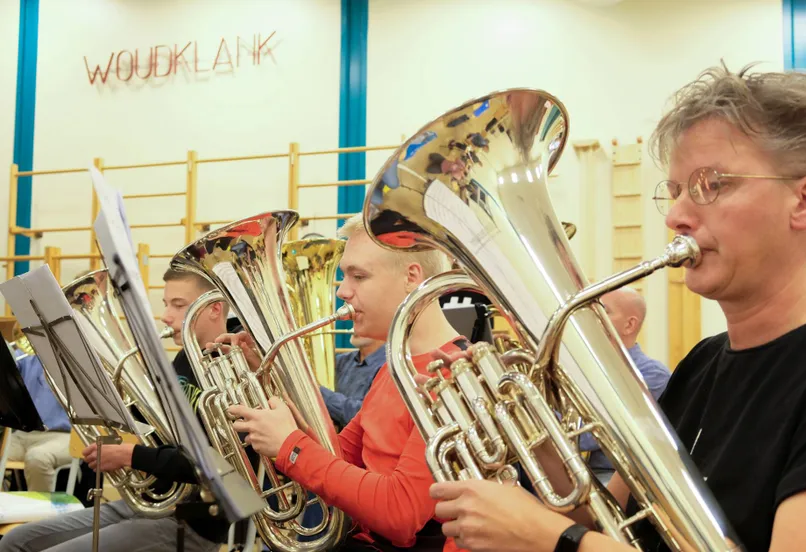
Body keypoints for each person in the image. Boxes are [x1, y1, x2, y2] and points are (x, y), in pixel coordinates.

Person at [427, 63, 806, 552]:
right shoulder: (701, 365)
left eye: (710, 184)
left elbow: (577, 540)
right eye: (676, 191)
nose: (677, 216)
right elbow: (612, 521)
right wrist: (541, 447)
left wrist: (553, 539)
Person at [221, 214, 466, 551]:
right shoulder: (395, 368)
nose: (342, 290)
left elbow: (400, 514)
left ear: (412, 277)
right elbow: (340, 458)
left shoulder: (453, 375)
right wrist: (270, 380)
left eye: (358, 276)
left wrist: (290, 446)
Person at [0, 269, 232, 552]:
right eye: (166, 304)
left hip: (191, 521)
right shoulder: (185, 359)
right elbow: (162, 431)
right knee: (15, 541)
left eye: (179, 305)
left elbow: (214, 466)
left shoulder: (231, 369)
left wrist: (130, 454)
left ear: (214, 308)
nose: (166, 316)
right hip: (151, 504)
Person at [582, 287, 671, 485]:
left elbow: (590, 435)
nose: (591, 317)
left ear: (629, 325)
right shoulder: (588, 368)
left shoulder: (651, 374)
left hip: (621, 478)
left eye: (603, 311)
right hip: (586, 471)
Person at [4, 344, 73, 493]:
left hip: (64, 435)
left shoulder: (73, 360)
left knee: (37, 458)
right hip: (24, 434)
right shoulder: (26, 358)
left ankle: (40, 515)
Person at [320, 335, 385, 427]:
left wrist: (319, 392)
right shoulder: (340, 360)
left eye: (364, 320)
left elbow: (366, 416)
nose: (353, 321)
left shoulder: (390, 367)